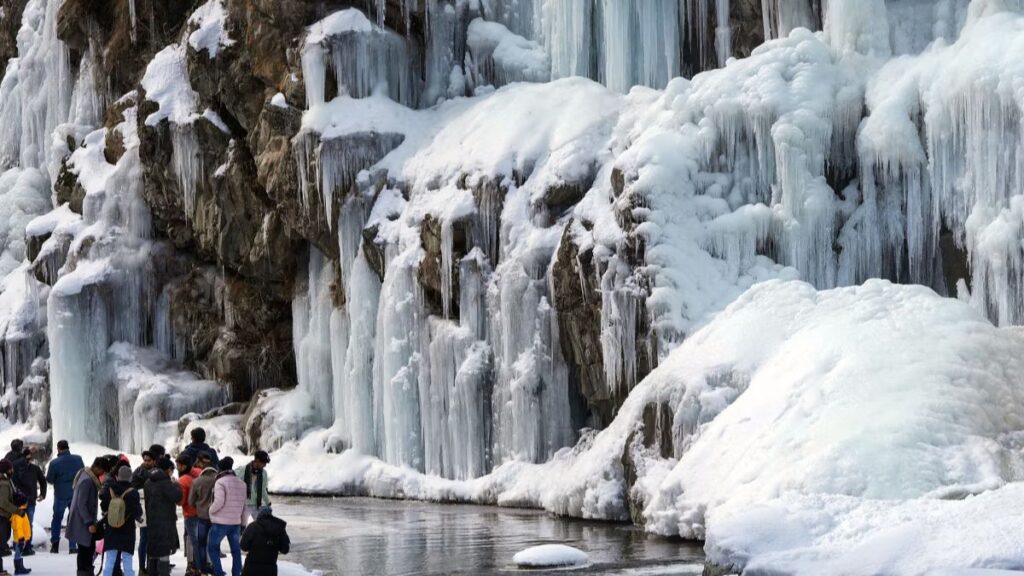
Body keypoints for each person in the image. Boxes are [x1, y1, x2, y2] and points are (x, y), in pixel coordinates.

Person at [100, 466, 143, 576]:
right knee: (127, 561)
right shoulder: (133, 492)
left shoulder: (109, 489)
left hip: (111, 528)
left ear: (117, 476)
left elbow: (103, 506)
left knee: (110, 561)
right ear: (130, 477)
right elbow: (138, 512)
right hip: (127, 530)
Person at [207, 457, 245, 576]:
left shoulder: (220, 482)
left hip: (220, 523)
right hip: (235, 522)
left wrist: (210, 511)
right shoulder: (242, 483)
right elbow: (245, 505)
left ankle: (218, 573)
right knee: (236, 550)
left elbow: (218, 502)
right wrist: (242, 522)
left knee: (212, 548)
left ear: (220, 468)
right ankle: (236, 573)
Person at [68, 458, 106, 576]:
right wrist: (89, 522)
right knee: (86, 551)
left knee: (87, 550)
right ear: (97, 467)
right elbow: (81, 504)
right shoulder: (87, 481)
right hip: (83, 523)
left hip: (82, 521)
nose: (102, 474)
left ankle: (86, 572)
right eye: (102, 471)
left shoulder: (84, 474)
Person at [46, 440, 85, 554]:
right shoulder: (78, 459)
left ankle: (55, 545)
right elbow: (82, 474)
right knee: (73, 519)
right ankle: (72, 546)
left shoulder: (54, 463)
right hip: (75, 494)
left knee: (57, 519)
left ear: (58, 448)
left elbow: (50, 479)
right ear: (68, 447)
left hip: (60, 495)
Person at [143, 458, 181, 576]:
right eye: (171, 470)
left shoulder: (148, 482)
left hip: (152, 522)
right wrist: (176, 485)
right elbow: (177, 496)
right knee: (164, 553)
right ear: (167, 470)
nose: (172, 472)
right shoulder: (166, 483)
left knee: (153, 552)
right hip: (165, 524)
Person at [188, 452, 217, 575]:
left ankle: (202, 569)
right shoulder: (218, 480)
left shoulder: (197, 481)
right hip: (216, 517)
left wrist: (199, 506)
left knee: (201, 544)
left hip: (202, 517)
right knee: (215, 544)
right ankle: (216, 567)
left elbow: (190, 501)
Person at [240, 507, 289, 576]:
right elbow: (285, 549)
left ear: (259, 515)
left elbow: (243, 546)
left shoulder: (252, 526)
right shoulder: (279, 528)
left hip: (251, 568)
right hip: (270, 569)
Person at [131, 450, 157, 574]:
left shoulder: (156, 472)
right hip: (144, 509)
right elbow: (133, 490)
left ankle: (151, 566)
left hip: (154, 509)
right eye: (145, 460)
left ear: (154, 461)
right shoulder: (138, 473)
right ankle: (142, 567)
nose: (146, 462)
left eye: (149, 460)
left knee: (152, 539)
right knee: (144, 538)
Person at [16, 448, 44, 557]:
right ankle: (26, 547)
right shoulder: (33, 468)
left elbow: (42, 481)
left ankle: (21, 546)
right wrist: (42, 494)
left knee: (22, 524)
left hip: (20, 500)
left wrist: (42, 493)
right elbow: (43, 481)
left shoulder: (16, 467)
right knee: (27, 524)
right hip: (28, 500)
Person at [176, 455, 201, 576]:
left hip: (190, 514)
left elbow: (181, 501)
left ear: (183, 466)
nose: (176, 467)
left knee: (192, 541)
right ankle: (202, 564)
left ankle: (193, 566)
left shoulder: (183, 480)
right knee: (201, 539)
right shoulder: (199, 472)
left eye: (178, 465)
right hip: (204, 513)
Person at [235, 452, 270, 527]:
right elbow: (232, 482)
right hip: (244, 504)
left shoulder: (264, 473)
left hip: (257, 504)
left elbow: (263, 489)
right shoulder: (243, 470)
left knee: (261, 526)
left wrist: (268, 502)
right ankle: (242, 538)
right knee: (242, 526)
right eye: (263, 463)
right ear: (257, 460)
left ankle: (259, 538)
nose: (265, 465)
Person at [10, 493, 30, 575]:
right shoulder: (19, 514)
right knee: (18, 554)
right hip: (19, 539)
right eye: (26, 502)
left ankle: (21, 567)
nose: (27, 503)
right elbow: (18, 528)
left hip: (20, 538)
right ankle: (18, 569)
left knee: (19, 553)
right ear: (22, 503)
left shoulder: (21, 512)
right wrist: (21, 538)